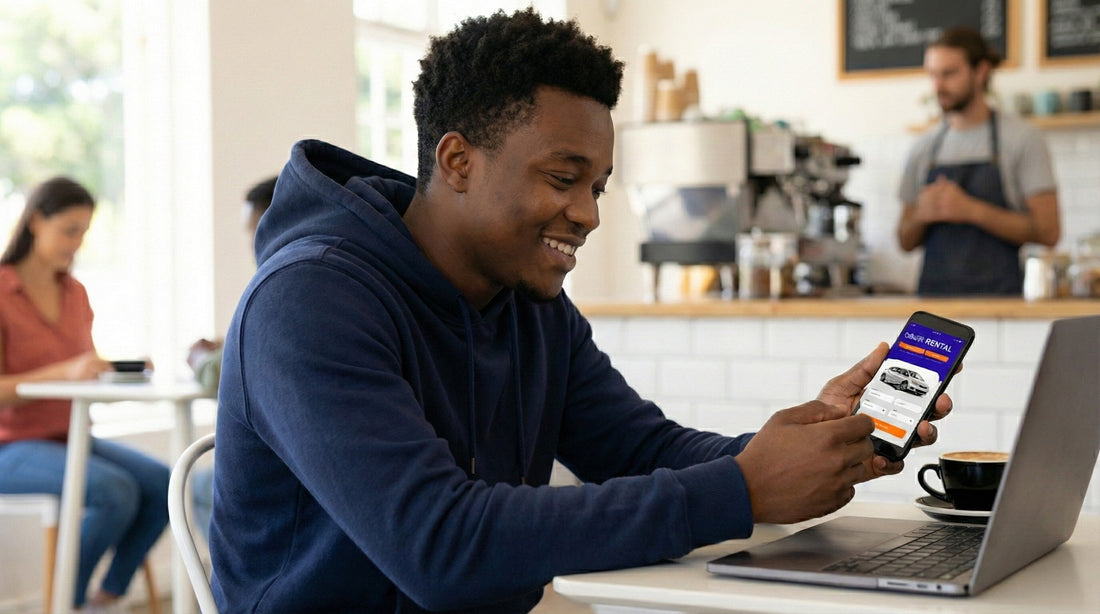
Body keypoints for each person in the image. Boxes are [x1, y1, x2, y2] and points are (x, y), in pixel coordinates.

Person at [210, 9, 949, 613]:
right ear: (458, 162)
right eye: (565, 179)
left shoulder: (529, 302)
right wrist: (745, 487)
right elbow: (440, 548)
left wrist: (815, 440)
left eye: (597, 186)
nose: (588, 215)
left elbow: (640, 449)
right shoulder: (308, 301)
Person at [0, 176, 169, 613]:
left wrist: (115, 371)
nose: (76, 243)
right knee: (114, 491)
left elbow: (82, 371)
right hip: (10, 445)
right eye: (69, 230)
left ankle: (106, 598)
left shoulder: (75, 293)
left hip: (70, 436)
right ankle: (66, 604)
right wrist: (66, 370)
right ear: (36, 221)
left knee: (166, 483)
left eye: (84, 232)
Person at [896, 25, 1060, 296]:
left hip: (1001, 305)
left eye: (949, 74)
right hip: (932, 306)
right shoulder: (923, 148)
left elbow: (1049, 232)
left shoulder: (1023, 139)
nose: (938, 86)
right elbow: (904, 241)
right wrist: (920, 217)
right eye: (932, 75)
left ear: (981, 71)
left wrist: (971, 210)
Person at [187, 175, 276, 541]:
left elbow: (214, 375)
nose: (252, 244)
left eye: (255, 229)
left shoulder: (281, 283)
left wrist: (197, 356)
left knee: (197, 484)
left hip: (282, 460)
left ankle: (226, 593)